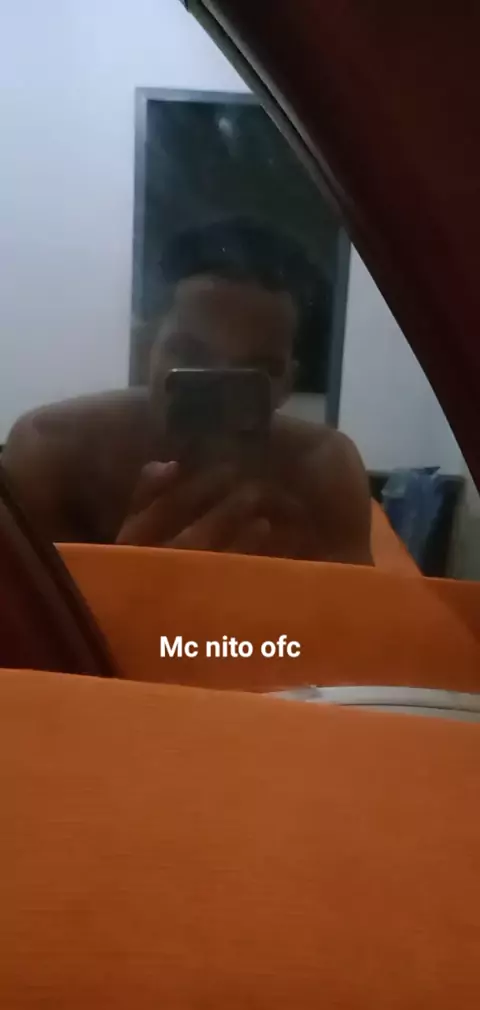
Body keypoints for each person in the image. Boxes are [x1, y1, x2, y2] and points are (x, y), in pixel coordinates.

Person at [2, 220, 372, 563]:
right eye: (192, 355)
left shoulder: (324, 470)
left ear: (287, 385)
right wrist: (126, 580)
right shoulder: (51, 450)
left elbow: (351, 611)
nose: (219, 390)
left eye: (256, 371)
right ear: (145, 350)